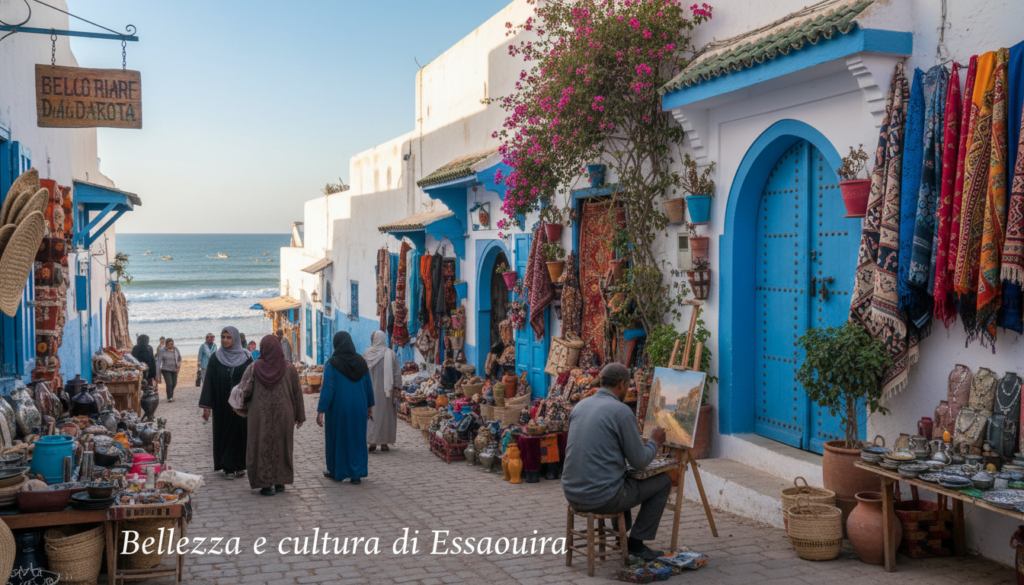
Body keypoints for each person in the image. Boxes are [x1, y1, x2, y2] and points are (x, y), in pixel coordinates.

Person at [561, 363, 669, 561]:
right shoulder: (621, 411)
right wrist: (654, 441)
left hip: (572, 493)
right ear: (622, 385)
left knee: (620, 475)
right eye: (627, 386)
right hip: (602, 497)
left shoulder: (581, 406)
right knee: (663, 482)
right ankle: (636, 544)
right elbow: (640, 461)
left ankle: (622, 537)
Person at [236, 335, 305, 496]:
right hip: (284, 414)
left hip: (260, 415)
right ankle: (280, 482)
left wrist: (243, 407)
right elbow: (297, 394)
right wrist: (299, 416)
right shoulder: (289, 368)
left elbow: (243, 391)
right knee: (282, 445)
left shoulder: (254, 368)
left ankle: (266, 484)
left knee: (261, 445)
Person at [316, 332, 373, 484]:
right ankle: (357, 473)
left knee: (339, 438)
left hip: (339, 410)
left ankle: (337, 471)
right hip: (359, 407)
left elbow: (327, 390)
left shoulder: (332, 364)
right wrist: (369, 406)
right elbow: (368, 386)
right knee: (357, 439)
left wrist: (321, 410)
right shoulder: (361, 362)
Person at [199, 326, 253, 479]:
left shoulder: (247, 356)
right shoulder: (216, 357)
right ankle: (228, 466)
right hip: (222, 404)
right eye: (223, 337)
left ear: (235, 339)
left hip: (241, 405)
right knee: (225, 433)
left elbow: (253, 379)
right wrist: (207, 406)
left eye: (228, 337)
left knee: (241, 433)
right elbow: (209, 381)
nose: (225, 340)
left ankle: (240, 465)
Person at [364, 331, 400, 452]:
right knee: (386, 417)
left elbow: (362, 373)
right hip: (387, 393)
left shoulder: (367, 354)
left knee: (372, 417)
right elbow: (396, 374)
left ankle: (372, 442)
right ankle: (384, 443)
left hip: (370, 393)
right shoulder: (391, 355)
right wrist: (397, 388)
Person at [155, 338, 181, 402]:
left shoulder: (176, 349)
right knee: (169, 383)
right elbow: (159, 361)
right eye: (169, 344)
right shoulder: (162, 350)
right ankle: (170, 397)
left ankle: (171, 394)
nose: (170, 346)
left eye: (172, 344)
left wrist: (178, 364)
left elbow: (180, 358)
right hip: (165, 369)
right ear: (166, 344)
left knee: (174, 383)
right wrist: (157, 372)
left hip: (174, 369)